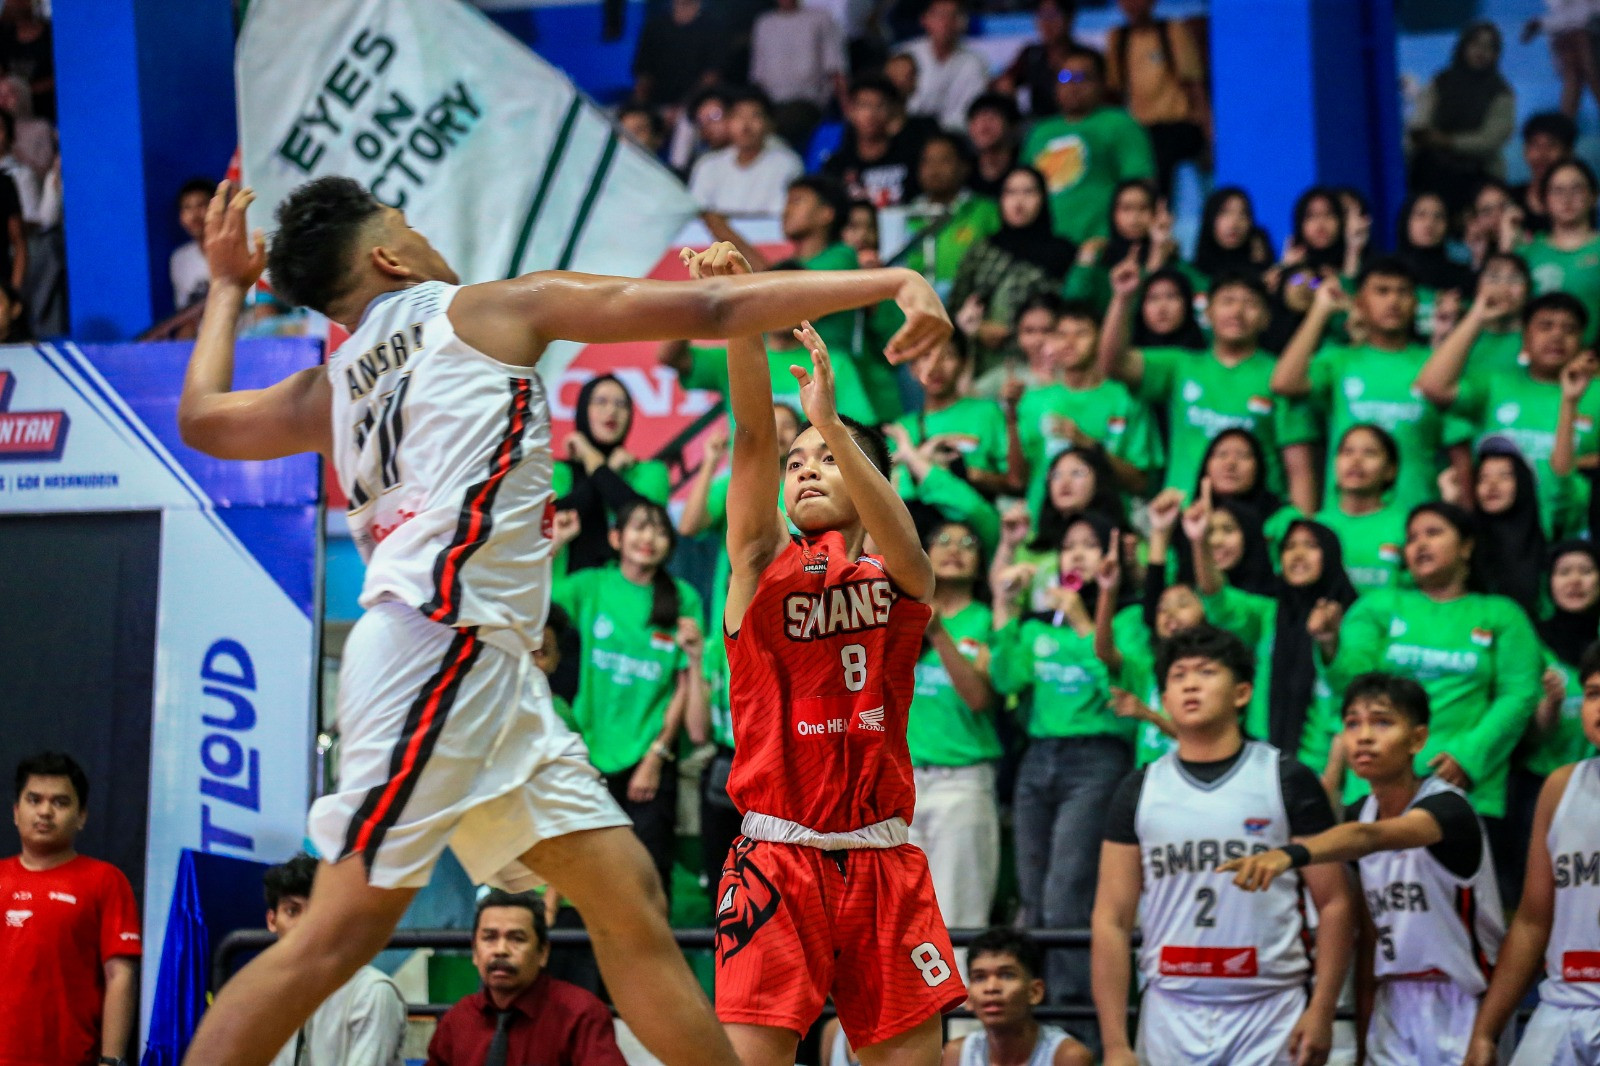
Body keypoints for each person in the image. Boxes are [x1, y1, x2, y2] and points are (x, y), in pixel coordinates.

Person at [174, 178, 951, 1066]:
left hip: (490, 669)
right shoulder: (485, 311)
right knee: (335, 937)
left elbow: (202, 418)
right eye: (411, 226)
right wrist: (890, 278)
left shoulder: (334, 387)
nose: (427, 237)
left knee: (627, 898)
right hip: (438, 645)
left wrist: (229, 287)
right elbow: (708, 302)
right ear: (390, 256)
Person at [704, 242, 964, 1066]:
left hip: (882, 857)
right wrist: (739, 313)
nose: (804, 468)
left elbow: (911, 558)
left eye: (824, 459)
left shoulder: (896, 576)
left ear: (871, 477)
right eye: (798, 465)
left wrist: (828, 423)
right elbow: (751, 437)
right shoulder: (758, 561)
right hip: (778, 857)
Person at [1091, 625, 1353, 1066]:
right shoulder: (1139, 789)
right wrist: (1116, 1042)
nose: (1191, 684)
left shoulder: (1285, 778)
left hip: (1270, 1008)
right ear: (1165, 697)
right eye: (1177, 676)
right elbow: (1111, 919)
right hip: (1170, 1008)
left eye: (1207, 672)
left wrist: (1322, 1009)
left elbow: (1335, 903)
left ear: (1243, 692)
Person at [1219, 673, 1506, 1066]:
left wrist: (1291, 854)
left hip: (1465, 1000)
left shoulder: (1449, 808)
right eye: (1353, 723)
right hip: (1393, 1000)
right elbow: (1370, 934)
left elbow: (1370, 837)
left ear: (1418, 739)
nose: (1364, 736)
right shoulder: (1361, 812)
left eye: (1382, 722)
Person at [992, 510, 1137, 1010]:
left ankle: (1074, 1017)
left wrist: (1082, 623)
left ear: (1109, 560)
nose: (1076, 553)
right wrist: (1005, 610)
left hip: (1096, 759)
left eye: (1089, 545)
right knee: (1033, 896)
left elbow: (1116, 687)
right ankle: (1033, 1013)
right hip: (1038, 758)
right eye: (1069, 545)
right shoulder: (1035, 628)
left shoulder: (1128, 620)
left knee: (1067, 894)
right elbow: (1007, 683)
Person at [1324, 503, 1543, 821]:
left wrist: (1469, 756)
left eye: (1433, 533)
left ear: (1466, 546)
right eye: (1412, 538)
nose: (1420, 544)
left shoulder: (1501, 614)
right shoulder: (1378, 606)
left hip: (1465, 786)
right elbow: (1353, 687)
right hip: (1375, 785)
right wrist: (1330, 646)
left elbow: (1520, 694)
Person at [550, 500, 705, 900]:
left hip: (649, 765)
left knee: (648, 884)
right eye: (638, 528)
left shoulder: (683, 598)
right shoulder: (592, 586)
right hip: (588, 759)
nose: (648, 538)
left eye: (658, 530)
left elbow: (682, 686)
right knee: (586, 881)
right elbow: (535, 599)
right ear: (616, 538)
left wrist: (656, 758)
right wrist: (559, 542)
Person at [1463, 642, 1600, 1066]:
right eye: (1594, 694)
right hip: (1562, 1006)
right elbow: (1531, 920)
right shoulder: (1560, 787)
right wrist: (1486, 1029)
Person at [1101, 264, 1317, 512]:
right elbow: (1113, 364)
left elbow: (1299, 470)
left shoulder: (1280, 376)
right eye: (1227, 301)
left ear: (1266, 318)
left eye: (1250, 304)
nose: (1237, 311)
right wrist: (1123, 298)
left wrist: (1302, 532)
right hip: (1182, 515)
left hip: (1256, 523)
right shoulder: (1180, 366)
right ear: (1208, 313)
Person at [1272, 257, 1474, 513]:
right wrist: (1320, 311)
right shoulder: (1338, 360)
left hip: (1416, 524)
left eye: (1403, 292)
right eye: (1382, 291)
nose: (1393, 301)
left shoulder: (1436, 368)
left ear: (1415, 303)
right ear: (1359, 301)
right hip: (1343, 523)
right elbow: (1284, 383)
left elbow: (1460, 455)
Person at [1188, 488, 1356, 774]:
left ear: (1331, 555)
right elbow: (1217, 597)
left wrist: (1329, 640)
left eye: (1311, 546)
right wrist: (1199, 541)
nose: (1298, 554)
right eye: (1289, 547)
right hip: (1262, 761)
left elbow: (1351, 689)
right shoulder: (1268, 613)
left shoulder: (1355, 617)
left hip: (1324, 766)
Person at [1420, 288, 1599, 538]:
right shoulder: (1496, 385)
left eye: (1569, 330)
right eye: (1545, 326)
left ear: (1582, 341)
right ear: (1525, 337)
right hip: (1496, 538)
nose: (1557, 335)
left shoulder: (1595, 394)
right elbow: (1431, 386)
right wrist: (1478, 316)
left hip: (1568, 541)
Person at [0, 752, 140, 1066]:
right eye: (34, 800)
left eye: (60, 802)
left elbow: (120, 977)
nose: (45, 812)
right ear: (15, 811)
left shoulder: (105, 881)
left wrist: (112, 1060)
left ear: (81, 816)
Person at [905, 520, 1002, 938]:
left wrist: (939, 633)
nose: (954, 549)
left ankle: (959, 1007)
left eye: (968, 543)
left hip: (962, 786)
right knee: (899, 922)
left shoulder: (987, 621)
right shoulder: (898, 613)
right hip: (901, 786)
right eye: (941, 540)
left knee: (958, 919)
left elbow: (979, 698)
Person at [426, 890, 626, 1066]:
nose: (501, 950)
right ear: (475, 953)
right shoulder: (458, 1019)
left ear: (543, 953)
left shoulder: (579, 1015)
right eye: (489, 938)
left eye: (517, 939)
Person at [1013, 298, 1161, 515]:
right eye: (1061, 335)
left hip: (1108, 526)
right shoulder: (1032, 401)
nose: (1070, 342)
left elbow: (1142, 482)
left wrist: (1087, 444)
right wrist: (1009, 416)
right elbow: (1018, 479)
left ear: (1102, 339)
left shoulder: (1127, 398)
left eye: (1081, 334)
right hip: (1043, 532)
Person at [263, 854, 406, 1066]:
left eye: (316, 911)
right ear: (272, 921)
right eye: (292, 911)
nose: (305, 925)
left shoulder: (372, 993)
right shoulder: (264, 997)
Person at [1021, 46, 1155, 245]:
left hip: (1100, 244)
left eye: (1083, 77)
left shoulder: (1119, 124)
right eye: (1065, 78)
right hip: (1043, 245)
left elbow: (1140, 185)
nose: (1073, 86)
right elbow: (1020, 187)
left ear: (1102, 83)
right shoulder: (1039, 132)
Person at [949, 167, 1075, 372]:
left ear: (1043, 198)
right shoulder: (981, 251)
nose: (1018, 202)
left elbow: (1072, 313)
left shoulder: (1063, 253)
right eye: (1010, 193)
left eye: (1028, 192)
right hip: (983, 366)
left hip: (1047, 365)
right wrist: (979, 330)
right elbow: (955, 306)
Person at [553, 374, 671, 574]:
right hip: (561, 595)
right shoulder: (557, 471)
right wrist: (607, 471)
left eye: (621, 404)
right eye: (601, 402)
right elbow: (560, 515)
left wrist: (591, 457)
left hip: (626, 595)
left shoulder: (651, 471)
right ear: (582, 410)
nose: (611, 410)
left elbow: (644, 518)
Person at [1104, 0, 1211, 198]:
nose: (1132, 4)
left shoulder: (1172, 31)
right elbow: (1114, 92)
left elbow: (1194, 85)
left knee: (1159, 160)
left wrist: (1208, 134)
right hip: (1139, 129)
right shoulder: (1118, 38)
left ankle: (1160, 215)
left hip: (1178, 125)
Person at [1406, 22, 1516, 213]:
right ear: (1463, 47)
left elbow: (1489, 140)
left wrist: (1448, 142)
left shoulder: (1501, 93)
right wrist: (1423, 135)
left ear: (1497, 54)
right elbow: (1420, 120)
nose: (1481, 52)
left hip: (1479, 172)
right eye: (1475, 44)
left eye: (1489, 47)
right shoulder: (1441, 81)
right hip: (1432, 167)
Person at [942, 929, 1093, 1066]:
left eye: (1007, 975)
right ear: (968, 998)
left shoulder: (1067, 1057)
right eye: (980, 978)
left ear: (1035, 992)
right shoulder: (957, 1055)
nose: (991, 988)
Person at [1314, 424, 1409, 595]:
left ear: (1390, 470)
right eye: (1347, 452)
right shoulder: (1316, 526)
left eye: (1370, 453)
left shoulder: (1406, 526)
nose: (1356, 460)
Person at [902, 133, 1002, 294]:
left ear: (965, 166)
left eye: (944, 160)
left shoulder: (987, 211)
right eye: (927, 161)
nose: (934, 169)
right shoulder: (905, 215)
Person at [689, 88, 805, 218]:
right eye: (738, 116)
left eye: (755, 116)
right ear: (728, 122)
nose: (745, 125)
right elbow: (697, 216)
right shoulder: (707, 165)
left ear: (769, 123)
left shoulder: (787, 164)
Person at [748, 0, 846, 152]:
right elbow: (757, 76)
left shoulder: (820, 18)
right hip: (771, 105)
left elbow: (835, 69)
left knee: (781, 128)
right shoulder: (764, 23)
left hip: (808, 103)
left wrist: (847, 109)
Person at [1522, 157, 1600, 345]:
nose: (1567, 198)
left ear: (1594, 196)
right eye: (1557, 191)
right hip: (1532, 362)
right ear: (1544, 201)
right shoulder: (1526, 252)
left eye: (1576, 189)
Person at [824, 74, 927, 208]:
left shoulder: (912, 157)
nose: (871, 114)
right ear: (851, 111)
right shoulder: (837, 166)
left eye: (879, 105)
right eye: (864, 105)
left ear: (892, 110)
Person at [1393, 190, 1475, 340]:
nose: (1430, 223)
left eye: (1439, 216)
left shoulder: (1463, 276)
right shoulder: (1390, 272)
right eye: (1421, 215)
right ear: (1406, 221)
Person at [897, 0, 990, 132]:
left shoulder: (975, 62)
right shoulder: (905, 55)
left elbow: (972, 110)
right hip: (908, 132)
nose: (946, 22)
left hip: (956, 136)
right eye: (939, 15)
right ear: (924, 20)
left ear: (963, 22)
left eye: (953, 16)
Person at [631, 0, 728, 117]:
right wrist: (639, 112)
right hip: (657, 110)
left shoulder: (714, 27)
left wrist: (682, 110)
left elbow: (711, 77)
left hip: (696, 111)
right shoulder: (654, 27)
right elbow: (644, 77)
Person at [995, 0, 1081, 118]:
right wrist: (1005, 85)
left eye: (1053, 15)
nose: (1046, 22)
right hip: (1039, 123)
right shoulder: (1031, 54)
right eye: (1041, 15)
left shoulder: (1085, 56)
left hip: (1078, 120)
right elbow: (1004, 81)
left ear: (1069, 18)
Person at [1523, 0, 1600, 122]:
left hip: (1589, 31)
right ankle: (1563, 130)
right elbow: (1565, 15)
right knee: (1574, 74)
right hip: (1569, 31)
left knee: (1586, 65)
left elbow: (1585, 15)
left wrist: (1543, 24)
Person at [1509, 111, 1577, 234]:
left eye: (1551, 145)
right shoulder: (1510, 198)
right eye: (1535, 145)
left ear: (1568, 152)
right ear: (1525, 150)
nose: (1542, 154)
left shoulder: (1579, 200)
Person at [1192, 186, 1273, 286]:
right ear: (1210, 219)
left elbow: (1297, 281)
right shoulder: (1190, 274)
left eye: (1243, 214)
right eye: (1225, 213)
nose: (1234, 223)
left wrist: (1289, 270)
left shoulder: (1265, 276)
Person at [1131, 266, 1206, 351]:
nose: (1162, 308)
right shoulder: (1124, 356)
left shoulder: (1204, 356)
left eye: (1171, 297)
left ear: (1187, 303)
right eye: (1153, 298)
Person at [964, 93, 1022, 199]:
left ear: (1011, 125)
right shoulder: (964, 173)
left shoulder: (1024, 164)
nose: (984, 124)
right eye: (976, 118)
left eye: (993, 116)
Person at [170, 177, 213, 313]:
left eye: (201, 206)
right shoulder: (180, 259)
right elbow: (185, 315)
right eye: (187, 208)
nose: (194, 216)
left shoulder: (240, 249)